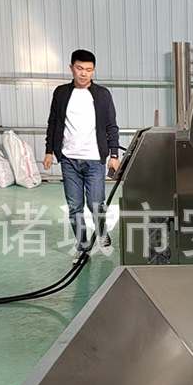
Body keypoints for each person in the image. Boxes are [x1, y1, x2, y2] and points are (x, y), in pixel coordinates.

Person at [43, 50, 120, 262]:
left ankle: (102, 232)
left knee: (96, 204)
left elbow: (111, 126)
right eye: (79, 68)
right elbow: (53, 123)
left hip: (94, 159)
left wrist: (114, 154)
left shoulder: (102, 95)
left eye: (88, 70)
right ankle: (83, 247)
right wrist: (49, 151)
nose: (84, 74)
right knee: (74, 207)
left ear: (93, 70)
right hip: (68, 159)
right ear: (71, 68)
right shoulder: (61, 93)